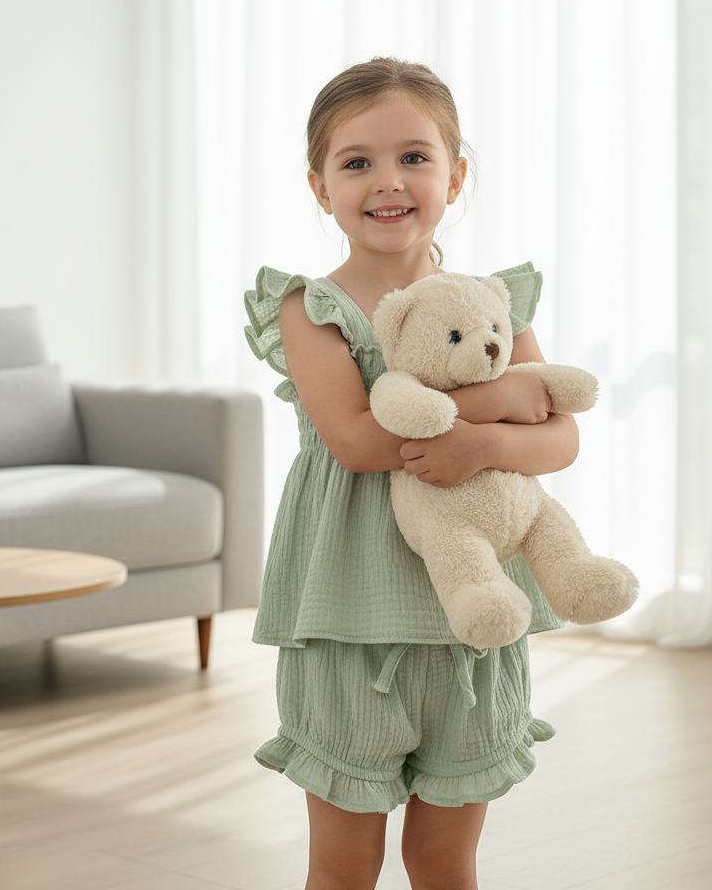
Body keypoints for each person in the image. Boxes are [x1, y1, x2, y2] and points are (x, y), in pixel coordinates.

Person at [244, 58, 581, 890]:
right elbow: (358, 439)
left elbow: (561, 437)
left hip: (470, 617)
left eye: (414, 158)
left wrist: (491, 445)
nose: (387, 181)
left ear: (455, 175)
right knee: (346, 861)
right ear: (321, 188)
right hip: (350, 613)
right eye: (356, 162)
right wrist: (505, 401)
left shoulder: (493, 303)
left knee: (444, 858)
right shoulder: (310, 307)